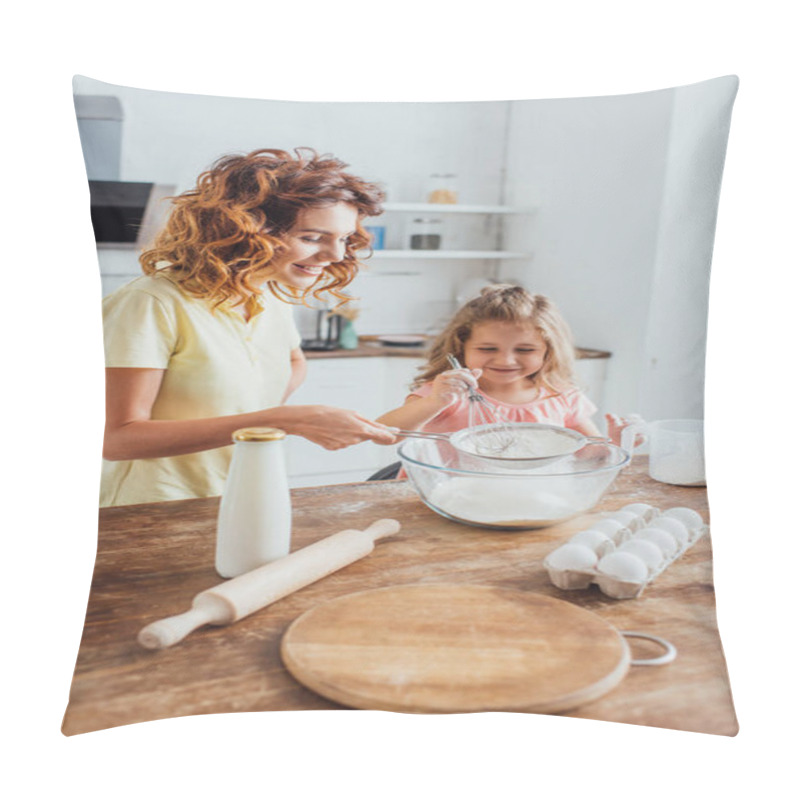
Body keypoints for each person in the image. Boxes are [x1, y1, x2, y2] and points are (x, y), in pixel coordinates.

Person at [101, 147, 397, 507]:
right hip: (151, 508)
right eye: (312, 238)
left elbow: (293, 361)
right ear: (244, 230)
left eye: (344, 238)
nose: (335, 256)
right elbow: (117, 439)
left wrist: (268, 418)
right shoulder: (151, 303)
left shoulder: (270, 295)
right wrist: (280, 420)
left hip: (240, 495)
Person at [377, 284, 629, 444]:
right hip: (446, 498)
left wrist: (617, 443)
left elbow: (592, 456)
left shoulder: (561, 397)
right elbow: (385, 435)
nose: (506, 360)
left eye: (525, 349)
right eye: (487, 349)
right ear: (460, 347)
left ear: (548, 351)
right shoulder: (445, 392)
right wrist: (435, 401)